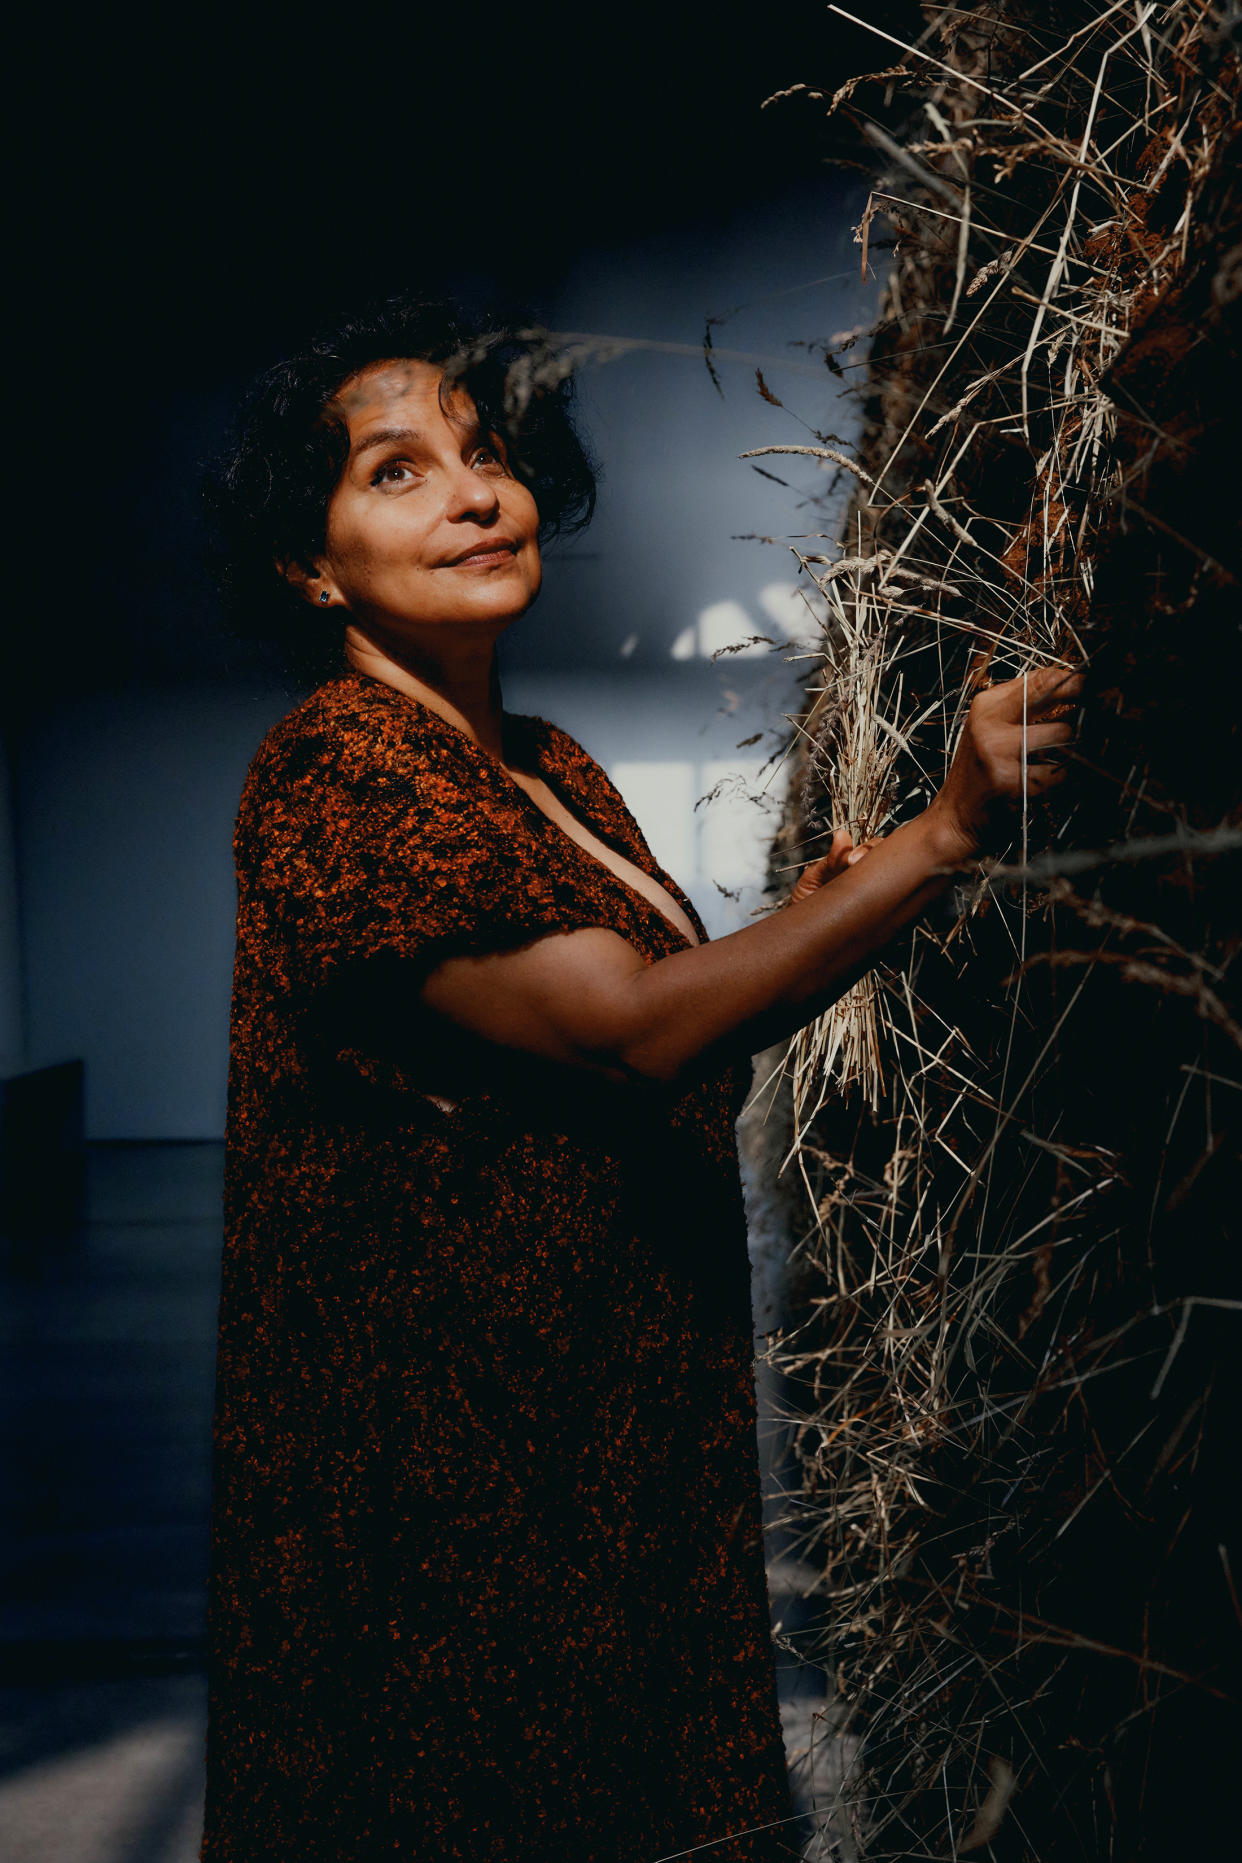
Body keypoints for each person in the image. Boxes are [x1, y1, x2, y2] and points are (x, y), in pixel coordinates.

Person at [201, 296, 1080, 1862]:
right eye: (396, 472)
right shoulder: (337, 769)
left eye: (485, 455)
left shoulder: (537, 763)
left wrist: (834, 899)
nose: (474, 494)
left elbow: (651, 1003)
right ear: (307, 562)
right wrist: (944, 837)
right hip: (456, 1482)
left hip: (602, 1429)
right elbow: (634, 1030)